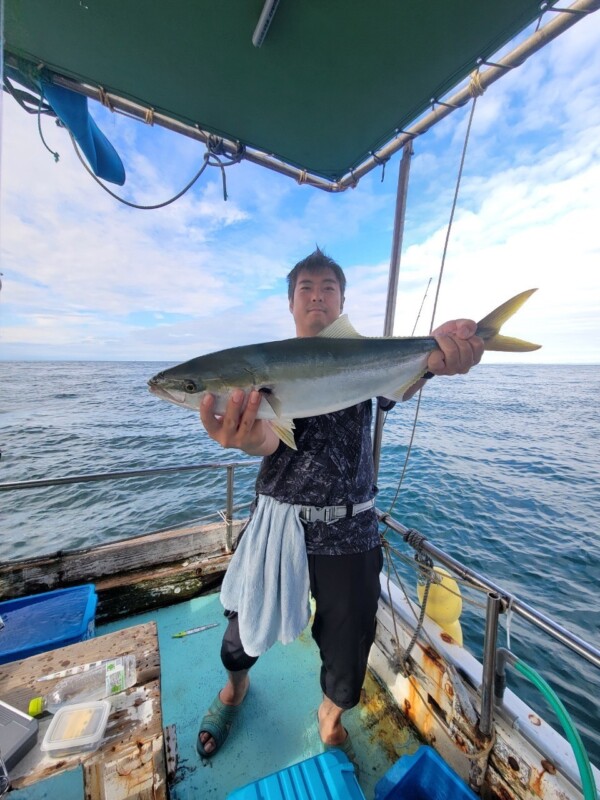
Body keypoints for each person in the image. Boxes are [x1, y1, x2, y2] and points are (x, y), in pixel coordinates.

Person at [196, 247, 484, 764]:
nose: (317, 296)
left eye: (328, 287)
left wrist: (441, 354)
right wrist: (244, 440)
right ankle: (235, 688)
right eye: (305, 287)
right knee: (239, 629)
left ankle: (329, 720)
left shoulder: (367, 357)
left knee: (350, 647)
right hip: (278, 525)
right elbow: (265, 440)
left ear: (343, 301)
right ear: (291, 303)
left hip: (351, 528)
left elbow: (412, 374)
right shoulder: (265, 365)